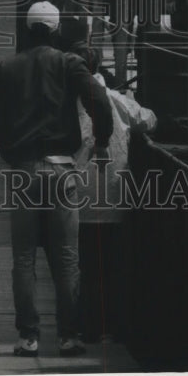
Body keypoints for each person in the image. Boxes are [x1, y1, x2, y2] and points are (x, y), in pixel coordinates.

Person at [0, 1, 113, 359]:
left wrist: (10, 150)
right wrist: (100, 141)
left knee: (24, 258)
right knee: (67, 258)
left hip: (24, 171)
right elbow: (99, 100)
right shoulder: (69, 63)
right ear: (55, 31)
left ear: (27, 29)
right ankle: (68, 336)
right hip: (61, 169)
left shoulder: (6, 67)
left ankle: (29, 337)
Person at [74, 49, 157, 343]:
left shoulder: (65, 102)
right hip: (114, 196)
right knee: (112, 267)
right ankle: (114, 327)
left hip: (77, 199)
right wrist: (132, 100)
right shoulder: (116, 100)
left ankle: (86, 325)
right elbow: (149, 120)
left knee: (82, 266)